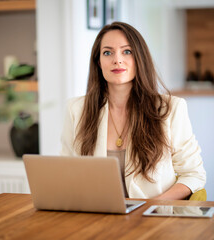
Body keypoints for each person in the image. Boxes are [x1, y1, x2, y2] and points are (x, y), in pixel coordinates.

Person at [60, 22, 206, 200]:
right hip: (98, 217)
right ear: (98, 62)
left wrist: (153, 205)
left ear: (140, 58)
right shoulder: (77, 110)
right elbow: (66, 172)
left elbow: (193, 174)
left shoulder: (170, 109)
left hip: (152, 219)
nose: (117, 60)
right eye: (107, 52)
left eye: (126, 51)